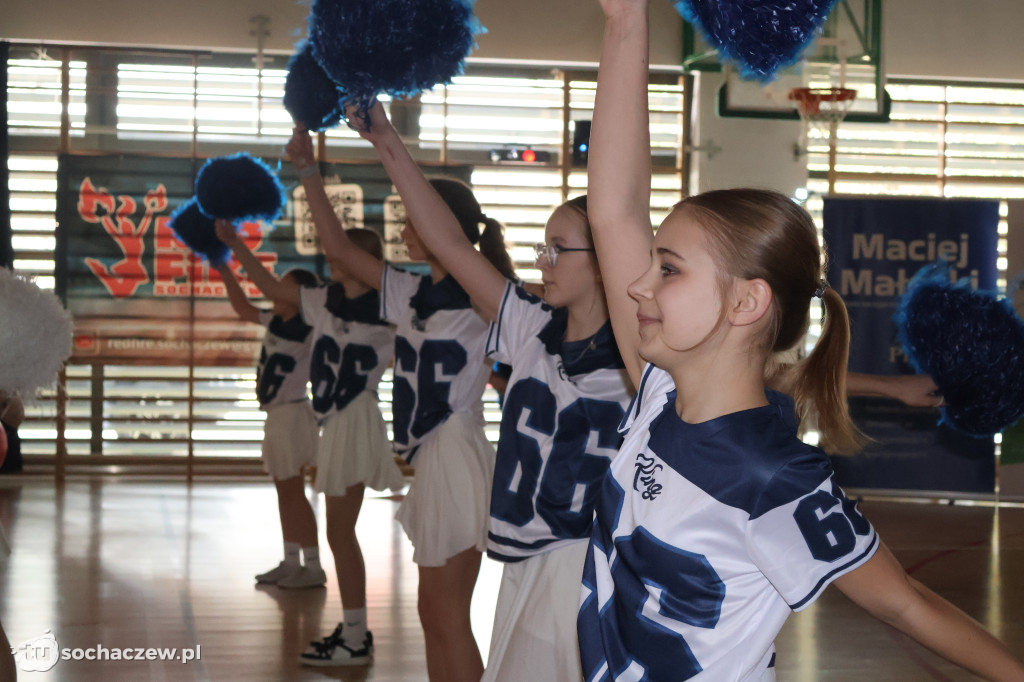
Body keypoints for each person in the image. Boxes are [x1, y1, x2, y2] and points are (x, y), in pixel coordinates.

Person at [576, 1, 1024, 680]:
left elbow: (905, 606)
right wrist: (625, 21)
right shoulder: (657, 394)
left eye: (668, 268)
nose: (639, 286)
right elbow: (611, 211)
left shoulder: (777, 478)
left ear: (747, 301)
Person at [346, 103, 634, 682]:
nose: (543, 262)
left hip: (582, 563)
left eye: (558, 249)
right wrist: (385, 141)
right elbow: (449, 242)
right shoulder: (529, 325)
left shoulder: (643, 358)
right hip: (523, 556)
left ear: (604, 260)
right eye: (542, 249)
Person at [284, 123, 519, 681]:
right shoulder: (412, 293)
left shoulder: (486, 298)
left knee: (447, 615)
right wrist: (307, 169)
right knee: (431, 612)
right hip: (435, 456)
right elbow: (338, 248)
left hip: (459, 450)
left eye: (416, 218)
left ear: (447, 228)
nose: (407, 228)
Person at [216, 221, 403, 666]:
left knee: (341, 531)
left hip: (356, 415)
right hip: (335, 419)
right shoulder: (324, 302)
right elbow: (260, 287)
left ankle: (355, 636)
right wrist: (233, 245)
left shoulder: (391, 308)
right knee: (340, 531)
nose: (331, 257)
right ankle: (353, 629)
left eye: (340, 252)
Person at [215, 263, 324, 589]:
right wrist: (223, 269)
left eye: (284, 287)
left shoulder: (309, 328)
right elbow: (243, 307)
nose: (276, 290)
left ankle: (313, 565)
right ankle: (291, 562)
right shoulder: (276, 320)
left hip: (292, 416)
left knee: (294, 492)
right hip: (277, 416)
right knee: (284, 492)